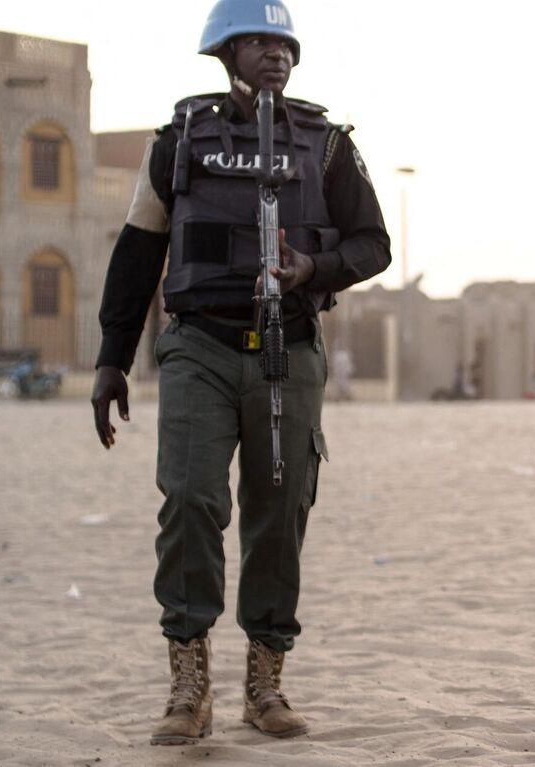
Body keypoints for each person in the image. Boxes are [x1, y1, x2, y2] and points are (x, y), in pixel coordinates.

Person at [88, 0, 390, 746]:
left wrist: (314, 266)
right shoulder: (181, 139)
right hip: (200, 346)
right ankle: (188, 683)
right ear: (224, 52)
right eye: (257, 41)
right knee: (190, 498)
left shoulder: (325, 146)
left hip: (291, 348)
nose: (275, 54)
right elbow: (137, 255)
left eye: (283, 42)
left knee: (279, 509)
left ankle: (266, 680)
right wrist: (110, 359)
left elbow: (373, 243)